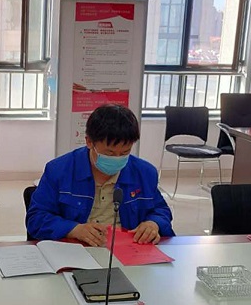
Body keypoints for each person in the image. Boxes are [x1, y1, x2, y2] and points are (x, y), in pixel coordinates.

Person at [26, 104, 174, 246]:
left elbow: (161, 211)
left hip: (127, 250)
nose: (117, 159)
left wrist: (153, 223)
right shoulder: (59, 170)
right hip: (77, 249)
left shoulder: (145, 173)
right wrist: (73, 229)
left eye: (125, 152)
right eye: (110, 153)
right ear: (89, 142)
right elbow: (36, 218)